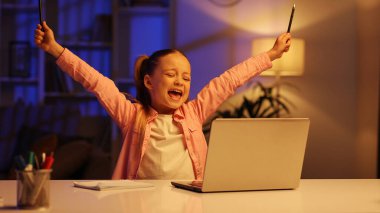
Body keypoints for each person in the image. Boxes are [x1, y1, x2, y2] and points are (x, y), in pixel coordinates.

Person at [34, 21, 291, 180]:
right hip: (139, 200)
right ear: (149, 82)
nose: (180, 81)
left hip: (187, 200)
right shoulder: (131, 115)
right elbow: (95, 81)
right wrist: (56, 49)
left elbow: (229, 80)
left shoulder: (195, 111)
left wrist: (271, 54)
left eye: (186, 78)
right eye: (171, 75)